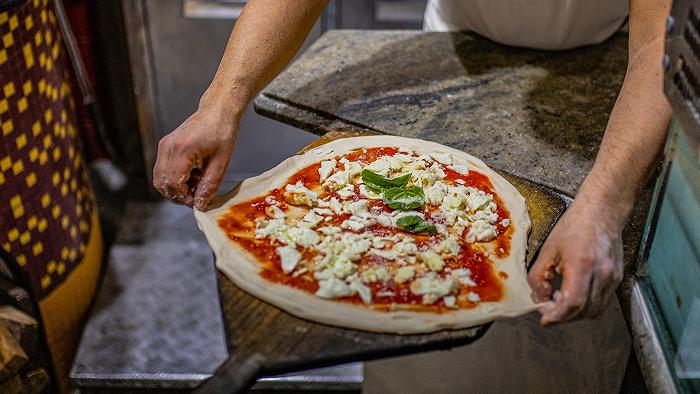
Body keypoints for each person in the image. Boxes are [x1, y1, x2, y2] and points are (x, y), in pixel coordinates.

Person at [152, 0, 672, 325]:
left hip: (605, 65)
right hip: (449, 40)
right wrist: (220, 103)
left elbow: (658, 43)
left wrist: (602, 204)